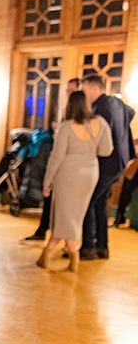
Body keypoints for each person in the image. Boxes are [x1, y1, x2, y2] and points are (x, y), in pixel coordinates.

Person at [38, 91, 113, 272]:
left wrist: (47, 181)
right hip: (90, 173)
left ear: (70, 106)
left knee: (64, 214)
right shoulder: (101, 123)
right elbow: (106, 151)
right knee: (75, 215)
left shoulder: (66, 127)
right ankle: (51, 253)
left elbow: (56, 158)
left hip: (68, 174)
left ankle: (71, 255)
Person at [80, 74, 136, 259]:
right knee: (99, 204)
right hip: (119, 161)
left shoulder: (100, 108)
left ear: (95, 88)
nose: (83, 93)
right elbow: (131, 113)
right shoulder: (116, 102)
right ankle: (102, 247)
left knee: (87, 202)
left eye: (84, 89)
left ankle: (88, 247)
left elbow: (96, 139)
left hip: (106, 162)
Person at [24, 78, 82, 242]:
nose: (67, 94)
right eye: (67, 90)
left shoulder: (81, 118)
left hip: (70, 169)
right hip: (61, 165)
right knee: (51, 201)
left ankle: (66, 244)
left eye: (71, 91)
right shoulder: (66, 112)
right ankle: (44, 231)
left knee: (66, 208)